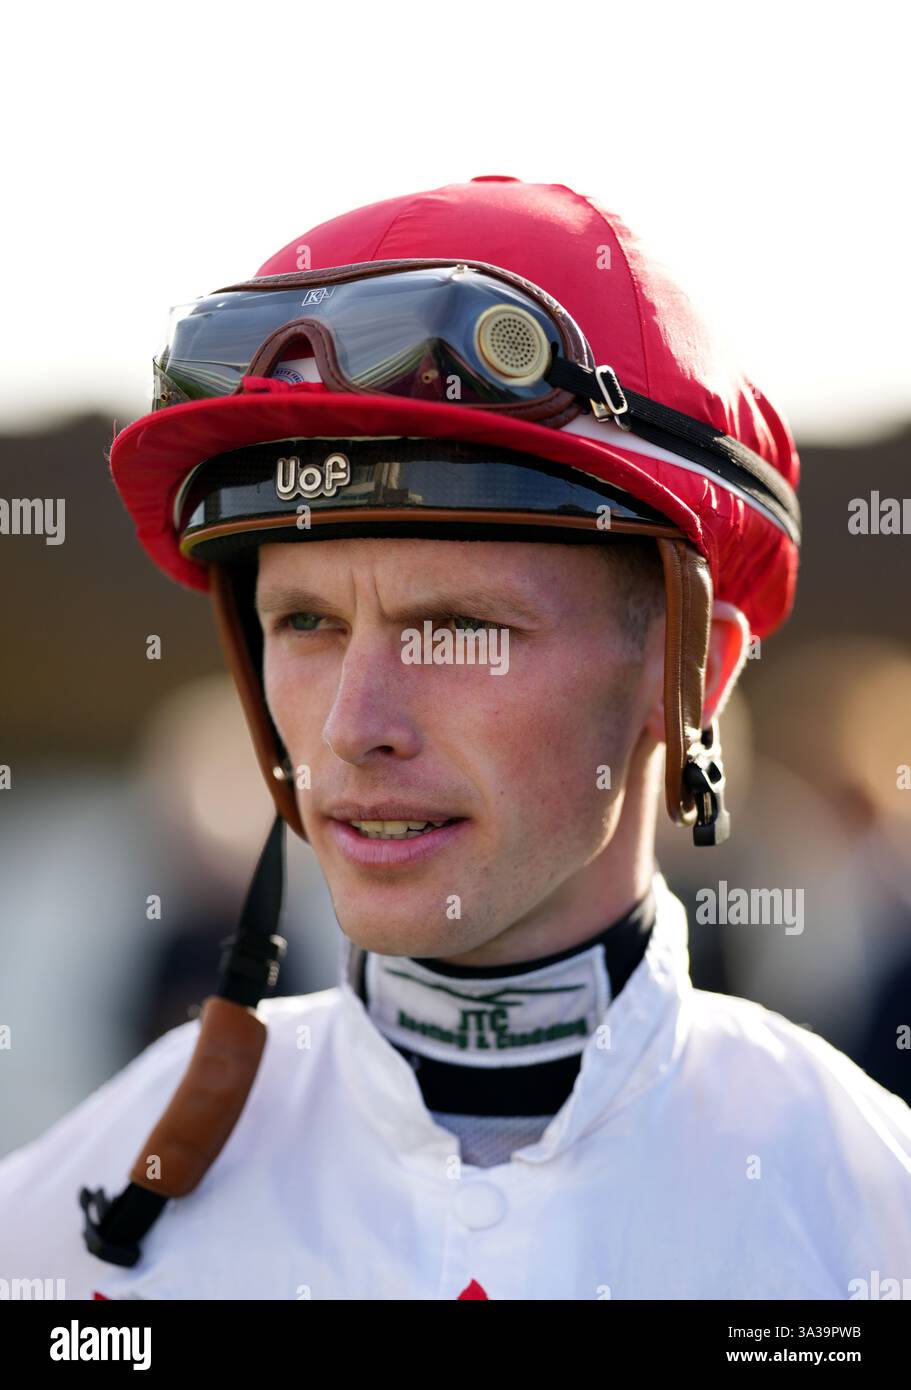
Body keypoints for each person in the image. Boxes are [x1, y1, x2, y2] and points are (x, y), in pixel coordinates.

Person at [1, 176, 909, 1301]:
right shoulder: (53, 1228)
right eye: (307, 624)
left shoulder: (874, 1218)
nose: (353, 726)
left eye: (457, 627)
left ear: (693, 679)